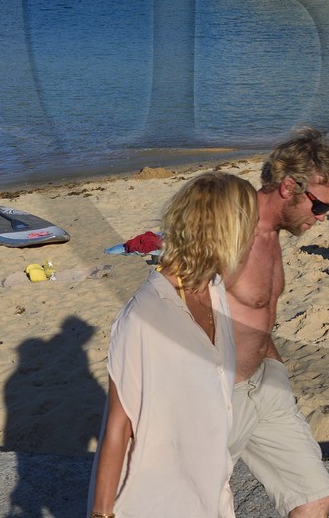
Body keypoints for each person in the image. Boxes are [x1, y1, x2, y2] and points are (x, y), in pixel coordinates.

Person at [91, 172, 257, 517]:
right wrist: (101, 514)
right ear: (219, 232)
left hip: (209, 493)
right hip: (155, 501)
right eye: (246, 229)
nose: (253, 238)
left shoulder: (213, 290)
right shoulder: (145, 316)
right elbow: (118, 426)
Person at [226, 129, 329, 518]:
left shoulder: (271, 234)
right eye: (320, 205)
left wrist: (276, 370)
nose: (323, 216)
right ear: (288, 187)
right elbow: (174, 305)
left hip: (265, 383)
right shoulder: (228, 230)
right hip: (217, 392)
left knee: (314, 496)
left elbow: (257, 312)